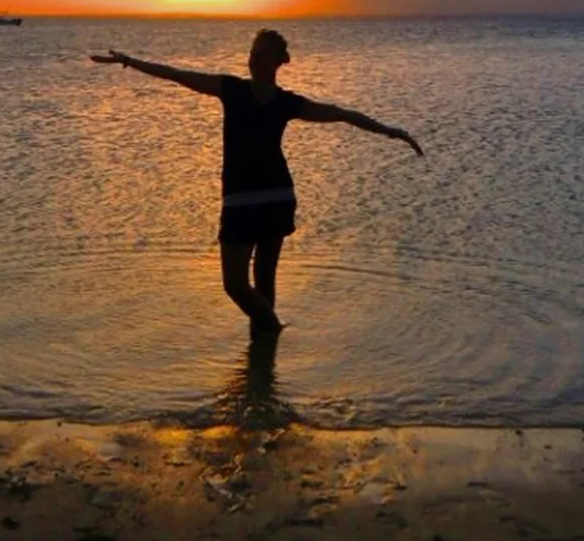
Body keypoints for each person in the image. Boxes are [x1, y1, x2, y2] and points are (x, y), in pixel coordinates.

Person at [90, 28, 423, 334]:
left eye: (261, 53)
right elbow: (177, 75)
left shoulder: (286, 103)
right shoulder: (231, 89)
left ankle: (265, 356)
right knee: (235, 284)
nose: (252, 58)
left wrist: (393, 132)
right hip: (240, 200)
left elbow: (342, 114)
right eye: (252, 52)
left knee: (263, 282)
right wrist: (128, 61)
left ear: (277, 62)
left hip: (276, 198)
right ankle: (269, 347)